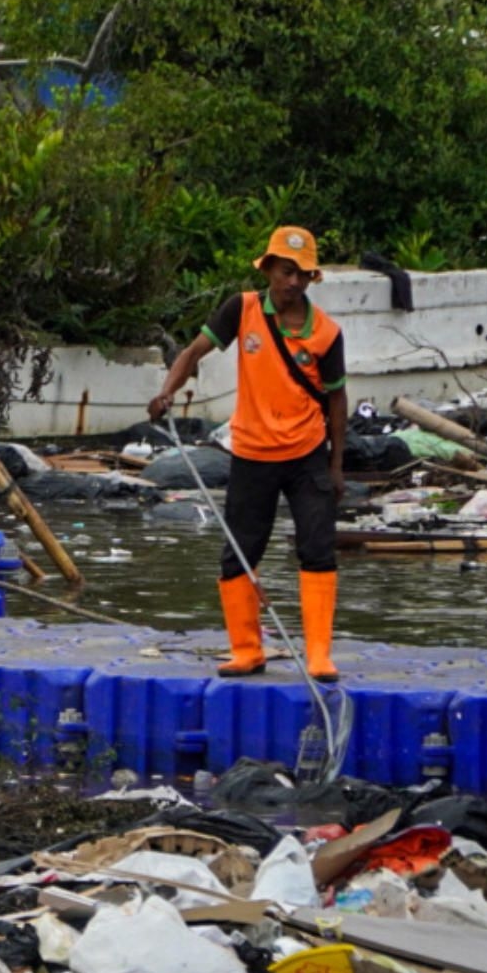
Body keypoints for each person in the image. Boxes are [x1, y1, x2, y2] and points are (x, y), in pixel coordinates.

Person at [146, 226, 347, 681]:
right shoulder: (242, 309)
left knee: (317, 548)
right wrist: (166, 392)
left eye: (301, 274)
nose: (292, 282)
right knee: (239, 551)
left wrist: (336, 465)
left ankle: (319, 655)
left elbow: (337, 399)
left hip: (307, 453)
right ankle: (246, 649)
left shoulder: (327, 333)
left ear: (311, 278)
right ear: (268, 269)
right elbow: (193, 352)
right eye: (285, 271)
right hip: (253, 453)